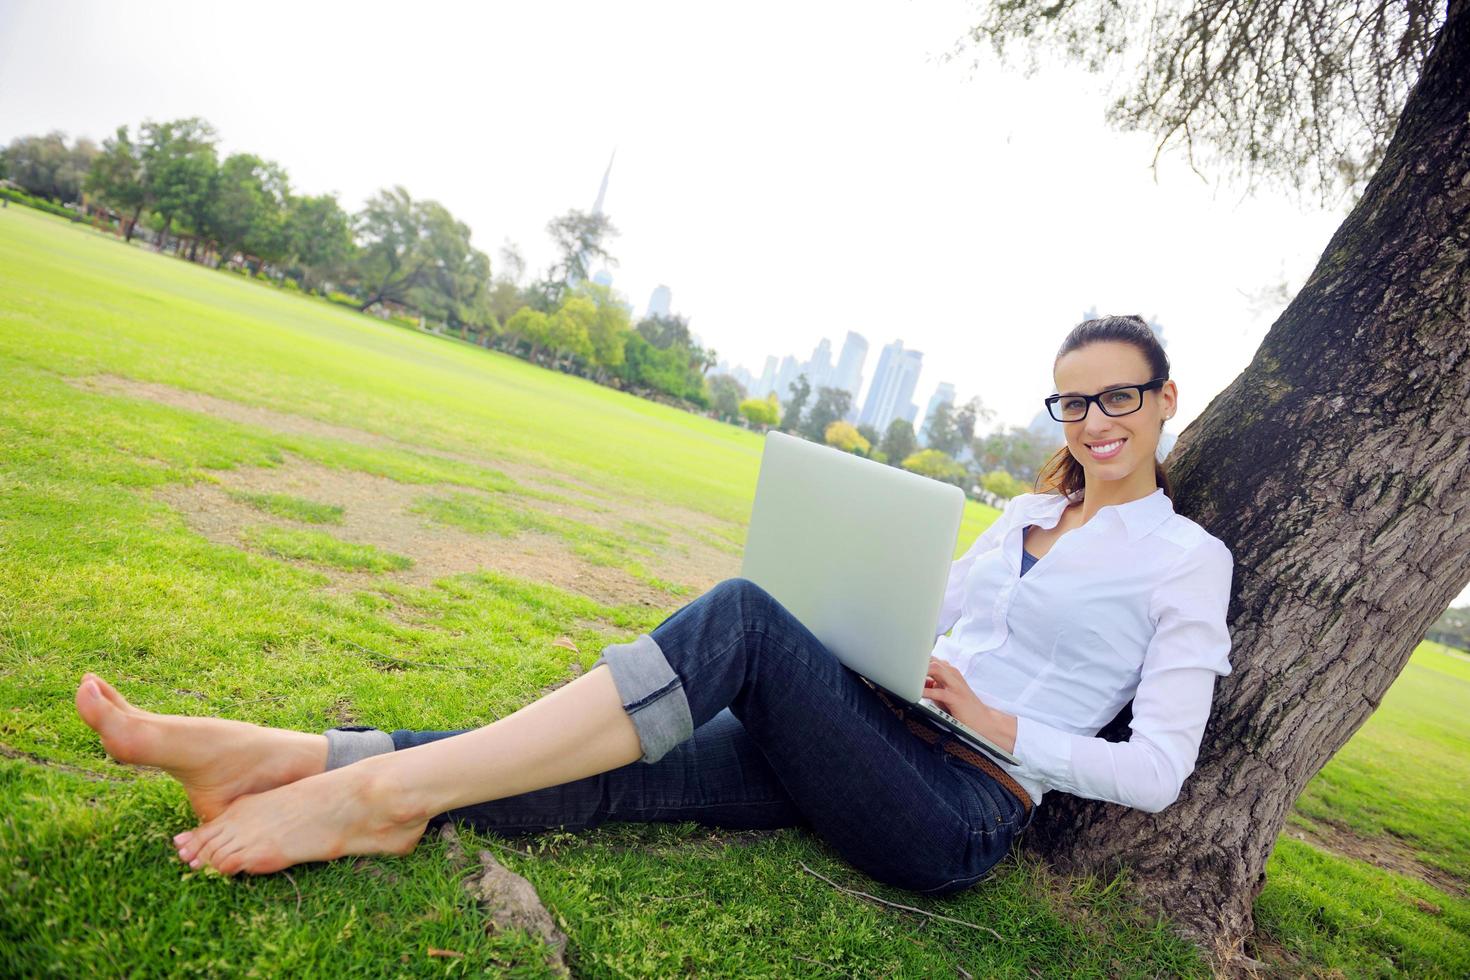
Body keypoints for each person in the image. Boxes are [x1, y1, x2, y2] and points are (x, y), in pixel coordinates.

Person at [74, 314, 1233, 893]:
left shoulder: (1186, 560)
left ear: (1167, 396)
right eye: (1071, 402)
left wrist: (996, 722)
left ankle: (372, 794)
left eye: (1118, 395)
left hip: (959, 803)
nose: (1093, 422)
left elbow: (1162, 769)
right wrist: (889, 647)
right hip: (877, 735)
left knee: (739, 613)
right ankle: (288, 755)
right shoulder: (1019, 519)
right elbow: (940, 633)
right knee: (618, 762)